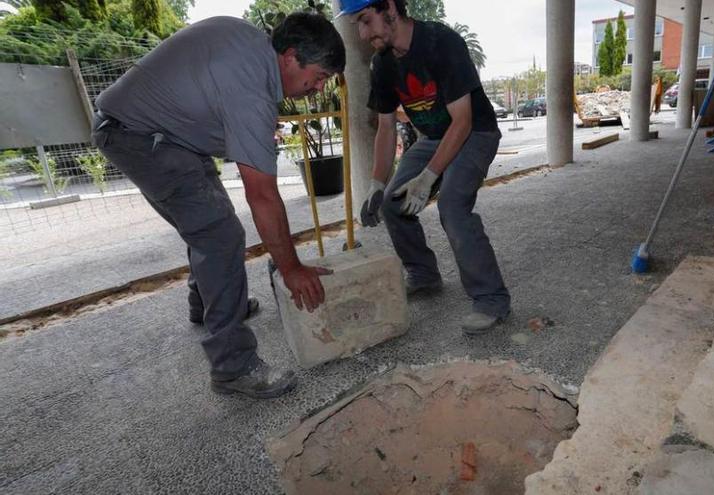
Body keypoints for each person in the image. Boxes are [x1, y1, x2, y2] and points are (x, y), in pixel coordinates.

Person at [91, 13, 346, 399]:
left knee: (208, 221)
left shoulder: (248, 47)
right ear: (291, 57)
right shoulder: (251, 89)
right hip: (138, 136)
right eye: (320, 75)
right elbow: (261, 194)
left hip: (165, 135)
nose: (318, 88)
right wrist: (291, 267)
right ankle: (233, 367)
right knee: (220, 235)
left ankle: (207, 303)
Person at [339, 0, 511, 335]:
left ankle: (491, 298)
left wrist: (429, 176)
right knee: (391, 202)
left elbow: (462, 121)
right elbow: (386, 128)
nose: (362, 34)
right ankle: (424, 274)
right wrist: (376, 183)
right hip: (434, 136)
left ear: (389, 6)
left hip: (476, 131)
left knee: (452, 206)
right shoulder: (383, 64)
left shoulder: (440, 43)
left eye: (365, 20)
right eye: (357, 25)